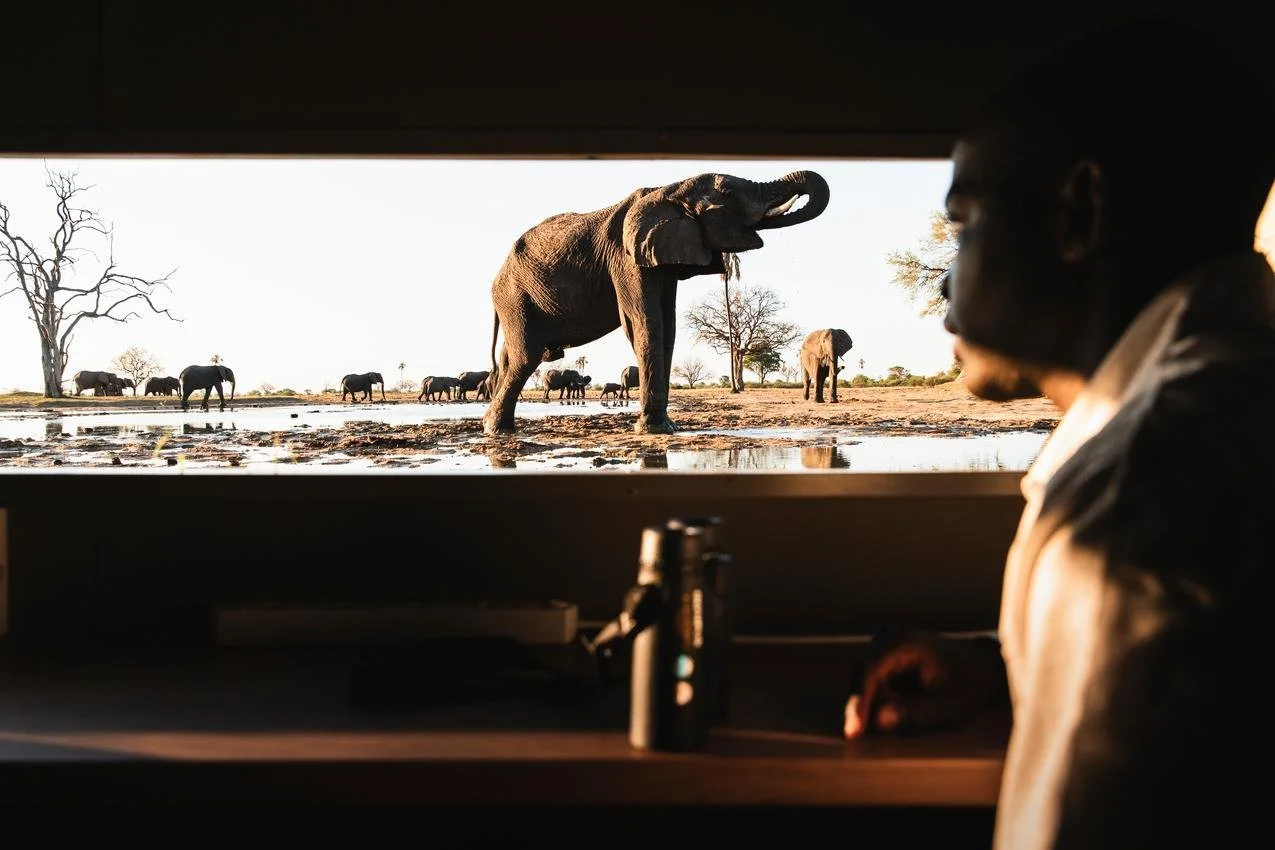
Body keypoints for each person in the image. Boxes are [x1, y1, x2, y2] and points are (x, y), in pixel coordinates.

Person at [842, 15, 1275, 850]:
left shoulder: (1139, 501)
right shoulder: (1230, 406)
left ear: (1079, 214)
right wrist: (1013, 670)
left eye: (964, 225)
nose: (945, 278)